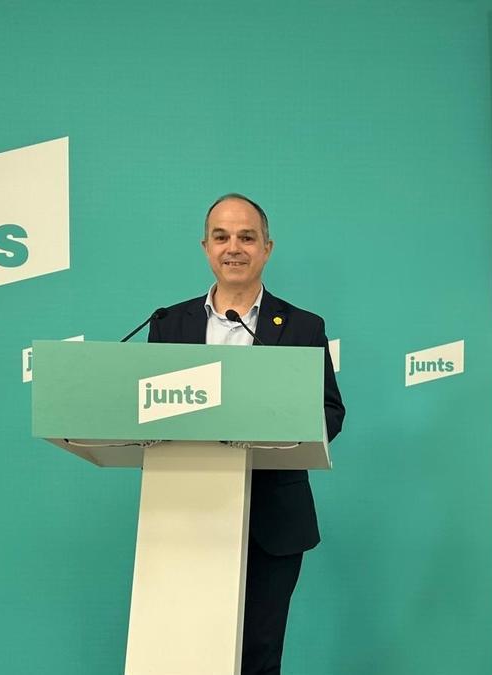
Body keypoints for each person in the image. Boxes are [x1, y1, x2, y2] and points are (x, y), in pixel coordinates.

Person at [148, 193, 345, 675]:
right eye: (221, 237)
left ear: (267, 248)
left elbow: (330, 410)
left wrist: (283, 435)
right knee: (186, 652)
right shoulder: (169, 324)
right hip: (185, 512)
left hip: (274, 519)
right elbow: (145, 413)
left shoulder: (302, 326)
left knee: (258, 652)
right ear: (205, 247)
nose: (233, 247)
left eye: (246, 237)